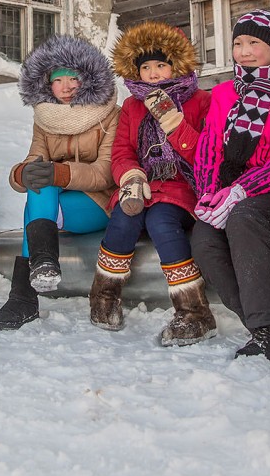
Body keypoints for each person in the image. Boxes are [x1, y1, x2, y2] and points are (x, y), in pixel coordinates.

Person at [190, 10, 270, 362]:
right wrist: (208, 193)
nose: (244, 51)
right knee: (203, 239)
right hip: (227, 192)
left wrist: (239, 191)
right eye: (237, 43)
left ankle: (266, 332)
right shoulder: (223, 93)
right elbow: (210, 145)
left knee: (243, 217)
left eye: (254, 43)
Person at [91, 20, 217, 346]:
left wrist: (172, 122)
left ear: (177, 64)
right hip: (140, 186)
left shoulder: (201, 101)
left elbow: (206, 155)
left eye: (161, 64)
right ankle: (104, 295)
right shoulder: (133, 106)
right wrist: (130, 176)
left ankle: (194, 311)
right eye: (145, 66)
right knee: (123, 216)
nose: (153, 73)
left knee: (162, 222)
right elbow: (122, 151)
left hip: (179, 187)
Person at [0, 34, 118, 331]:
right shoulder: (45, 119)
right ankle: (42, 266)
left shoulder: (111, 115)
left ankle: (24, 294)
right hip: (57, 205)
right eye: (58, 80)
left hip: (98, 203)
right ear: (47, 85)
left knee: (43, 188)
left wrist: (59, 174)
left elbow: (105, 173)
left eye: (73, 78)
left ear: (87, 78)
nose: (66, 87)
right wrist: (22, 174)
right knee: (38, 185)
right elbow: (34, 160)